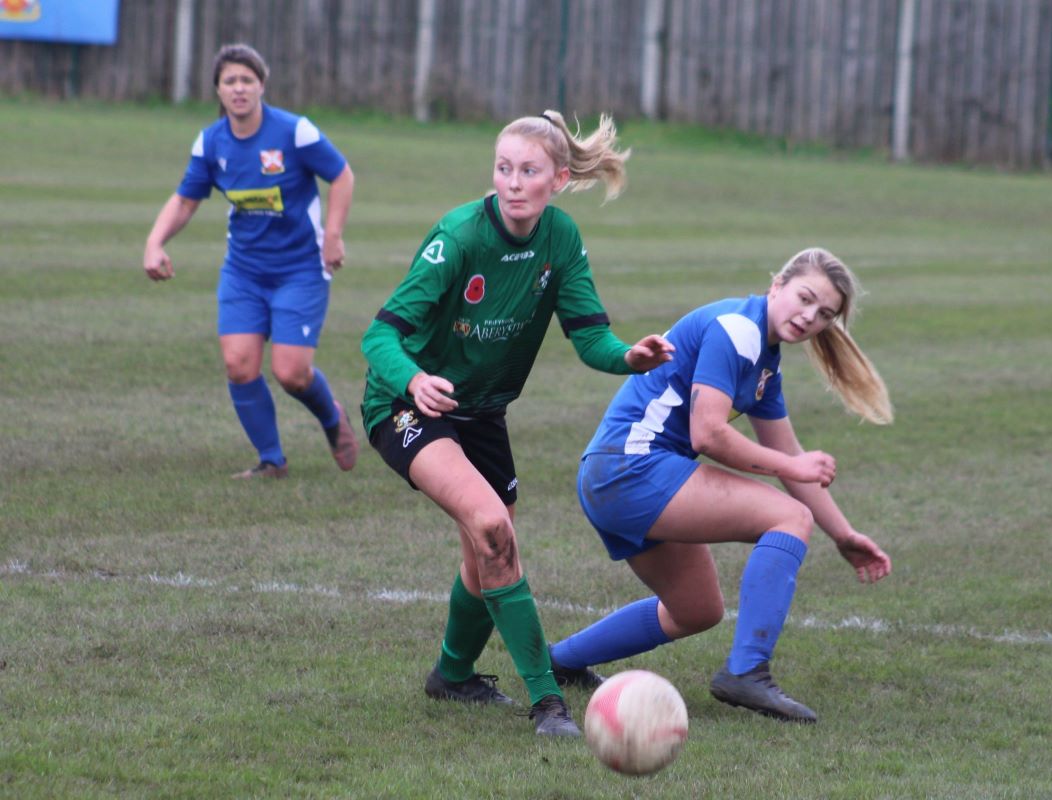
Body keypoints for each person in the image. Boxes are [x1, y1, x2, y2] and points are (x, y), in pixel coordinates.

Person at [360, 111, 674, 737]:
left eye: (528, 171)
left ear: (557, 179)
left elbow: (589, 336)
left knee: (485, 557)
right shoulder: (459, 236)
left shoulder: (560, 238)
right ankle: (547, 703)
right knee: (492, 527)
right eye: (503, 168)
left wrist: (627, 358)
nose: (511, 182)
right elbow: (380, 335)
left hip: (483, 413)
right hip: (406, 406)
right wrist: (413, 381)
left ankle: (452, 676)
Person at [548, 247, 894, 723]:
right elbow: (708, 434)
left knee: (696, 609)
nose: (810, 316)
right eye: (805, 298)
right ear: (777, 285)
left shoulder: (763, 359)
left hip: (618, 475)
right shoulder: (738, 330)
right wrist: (794, 470)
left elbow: (788, 455)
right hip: (631, 468)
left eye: (824, 314)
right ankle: (748, 673)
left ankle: (559, 662)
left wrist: (844, 535)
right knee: (789, 517)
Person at [143, 43, 358, 479]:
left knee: (291, 373)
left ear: (262, 85)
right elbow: (186, 200)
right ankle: (271, 461)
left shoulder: (295, 132)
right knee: (239, 364)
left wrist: (332, 236)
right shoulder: (211, 142)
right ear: (218, 90)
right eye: (230, 81)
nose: (239, 88)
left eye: (247, 80)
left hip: (300, 269)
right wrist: (155, 242)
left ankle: (333, 419)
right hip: (244, 271)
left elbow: (342, 174)